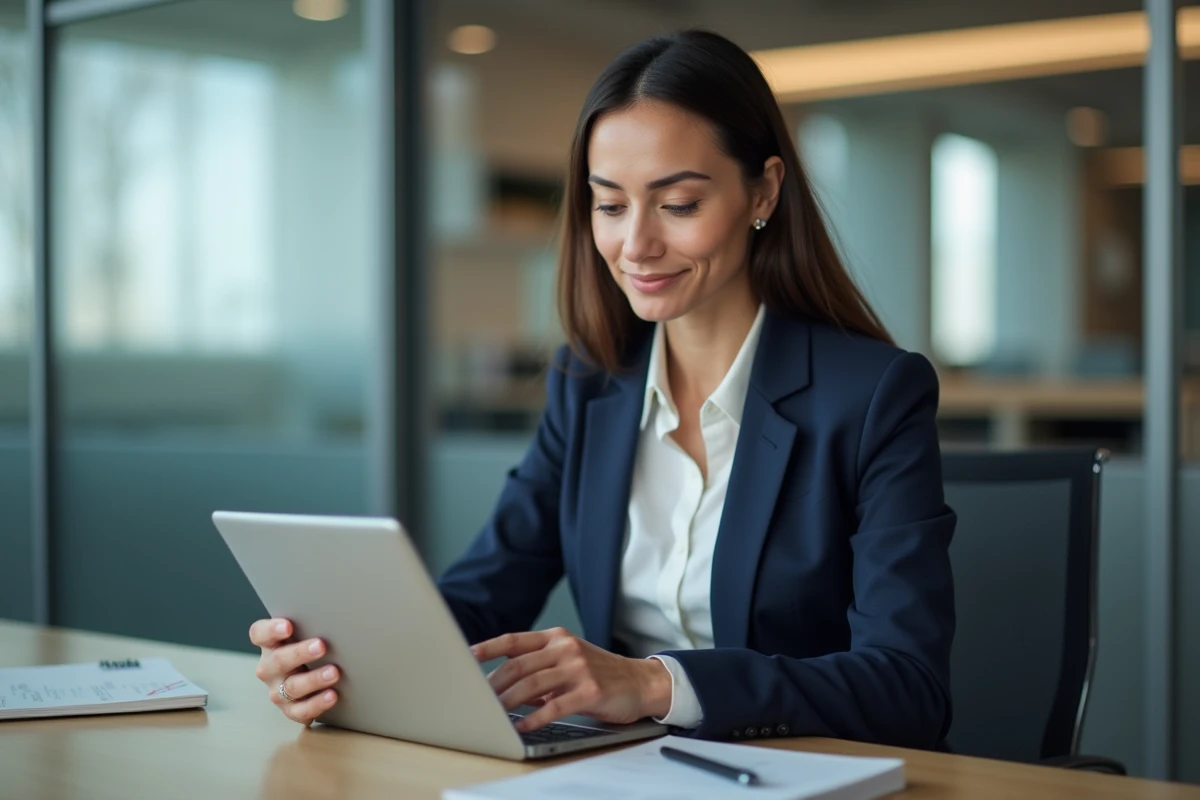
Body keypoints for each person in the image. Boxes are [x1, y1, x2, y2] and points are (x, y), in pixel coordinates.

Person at [249, 28, 956, 750]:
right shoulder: (588, 386)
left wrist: (654, 683)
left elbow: (906, 687)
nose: (636, 245)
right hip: (628, 773)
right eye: (610, 206)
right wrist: (340, 660)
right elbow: (482, 595)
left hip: (807, 776)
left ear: (763, 191)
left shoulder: (874, 397)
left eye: (677, 204)